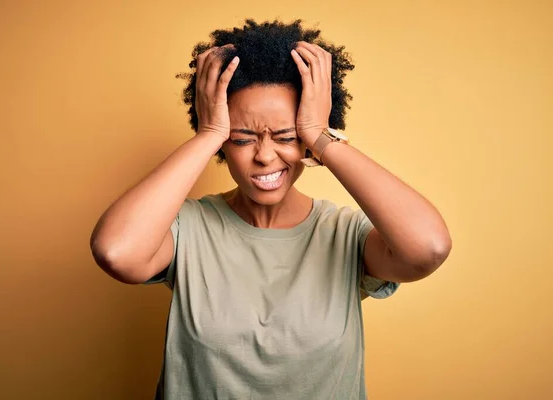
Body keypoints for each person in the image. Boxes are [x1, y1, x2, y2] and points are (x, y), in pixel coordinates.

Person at [90, 19, 452, 400]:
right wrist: (208, 134)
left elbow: (427, 247)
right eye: (242, 138)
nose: (264, 156)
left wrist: (318, 132)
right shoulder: (187, 228)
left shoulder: (344, 233)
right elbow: (116, 252)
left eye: (287, 137)